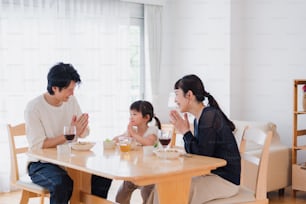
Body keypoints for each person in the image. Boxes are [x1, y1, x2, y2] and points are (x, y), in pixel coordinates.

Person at [25, 62, 112, 204]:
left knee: (103, 176)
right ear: (54, 88)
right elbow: (38, 145)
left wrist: (81, 129)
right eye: (69, 90)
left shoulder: (71, 101)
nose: (72, 93)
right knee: (62, 184)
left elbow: (83, 133)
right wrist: (68, 135)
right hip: (41, 164)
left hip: (70, 160)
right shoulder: (34, 108)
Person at [148, 74, 241, 204]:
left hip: (225, 180)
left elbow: (202, 156)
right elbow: (197, 154)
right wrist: (185, 131)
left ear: (189, 95)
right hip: (211, 175)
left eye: (177, 94)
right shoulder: (201, 118)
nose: (175, 100)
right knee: (162, 186)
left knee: (171, 190)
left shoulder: (209, 116)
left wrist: (185, 132)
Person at [114, 100, 161, 204]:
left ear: (146, 118)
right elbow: (118, 139)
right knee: (121, 196)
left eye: (134, 114)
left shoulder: (152, 130)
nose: (131, 117)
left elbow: (149, 143)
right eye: (130, 114)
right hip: (134, 172)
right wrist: (121, 137)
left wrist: (133, 135)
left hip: (150, 174)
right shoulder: (132, 131)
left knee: (147, 194)